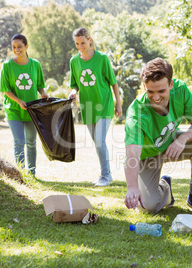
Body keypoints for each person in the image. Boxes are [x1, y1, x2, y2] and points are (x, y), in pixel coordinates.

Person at [124, 57, 192, 214]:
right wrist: (132, 188)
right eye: (150, 91)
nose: (156, 97)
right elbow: (132, 154)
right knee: (147, 206)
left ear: (171, 85)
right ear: (144, 86)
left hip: (171, 143)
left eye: (161, 91)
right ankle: (165, 188)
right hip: (147, 156)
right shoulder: (136, 113)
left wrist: (182, 140)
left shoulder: (180, 90)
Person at [68, 28, 122, 187]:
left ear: (90, 40)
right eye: (77, 44)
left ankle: (106, 176)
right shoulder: (74, 61)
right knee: (97, 142)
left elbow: (113, 82)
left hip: (104, 104)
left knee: (99, 140)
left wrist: (118, 104)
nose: (80, 46)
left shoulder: (102, 58)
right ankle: (105, 174)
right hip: (88, 106)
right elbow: (75, 84)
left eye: (83, 43)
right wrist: (72, 93)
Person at [0, 34, 49, 176]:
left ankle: (31, 173)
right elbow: (5, 89)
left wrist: (43, 93)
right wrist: (19, 101)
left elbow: (39, 85)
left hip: (31, 110)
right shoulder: (7, 66)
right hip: (14, 109)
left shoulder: (35, 64)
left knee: (31, 142)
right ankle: (20, 174)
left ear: (26, 46)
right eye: (14, 47)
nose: (17, 49)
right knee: (19, 141)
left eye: (19, 46)